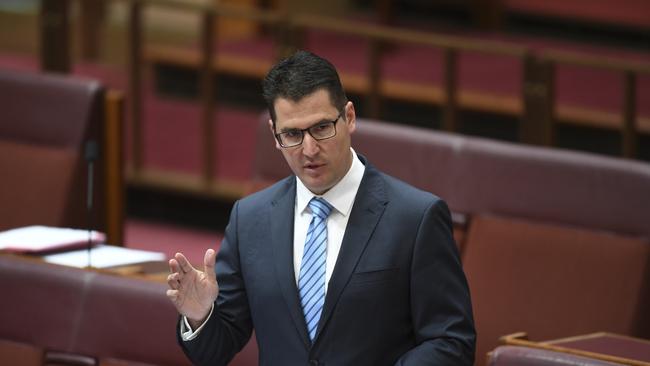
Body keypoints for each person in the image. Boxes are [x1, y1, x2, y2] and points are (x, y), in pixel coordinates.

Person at [166, 50, 476, 365]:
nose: (309, 150)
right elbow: (216, 349)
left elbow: (450, 341)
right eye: (292, 134)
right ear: (275, 133)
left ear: (349, 117)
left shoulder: (416, 218)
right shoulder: (250, 219)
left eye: (322, 128)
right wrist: (200, 315)